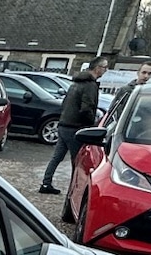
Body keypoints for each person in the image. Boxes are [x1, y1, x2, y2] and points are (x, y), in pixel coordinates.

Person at [39, 56, 108, 194]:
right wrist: (90, 125)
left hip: (64, 124)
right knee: (77, 160)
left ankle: (46, 183)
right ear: (97, 68)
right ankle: (74, 189)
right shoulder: (90, 85)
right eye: (104, 67)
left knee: (57, 157)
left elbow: (65, 104)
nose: (105, 70)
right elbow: (87, 108)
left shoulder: (75, 83)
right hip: (76, 128)